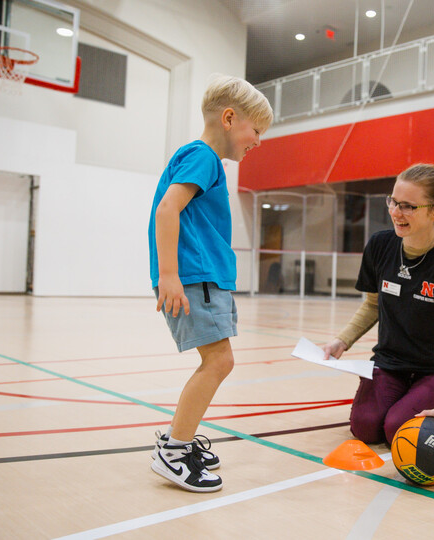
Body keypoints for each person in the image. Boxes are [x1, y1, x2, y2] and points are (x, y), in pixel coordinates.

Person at [148, 74, 272, 492]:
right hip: (195, 275)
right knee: (219, 361)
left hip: (206, 276)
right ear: (230, 118)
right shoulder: (202, 156)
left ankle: (177, 443)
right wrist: (169, 275)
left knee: (219, 361)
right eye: (256, 130)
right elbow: (167, 211)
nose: (258, 141)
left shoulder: (204, 160)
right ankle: (174, 450)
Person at [322, 163, 434, 459]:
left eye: (408, 206)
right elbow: (371, 305)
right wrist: (341, 341)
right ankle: (396, 391)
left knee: (398, 429)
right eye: (393, 201)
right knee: (365, 427)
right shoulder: (380, 245)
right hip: (392, 360)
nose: (395, 212)